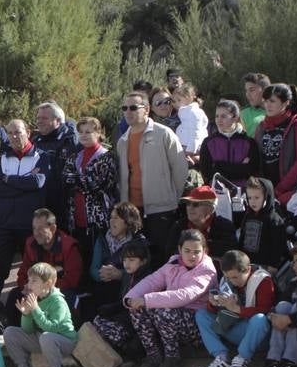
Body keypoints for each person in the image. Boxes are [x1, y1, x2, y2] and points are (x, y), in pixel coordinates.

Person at [125, 230, 217, 367]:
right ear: (180, 249)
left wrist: (147, 300)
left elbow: (186, 295)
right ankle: (153, 356)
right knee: (137, 309)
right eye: (187, 251)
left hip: (197, 324)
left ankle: (172, 357)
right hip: (175, 317)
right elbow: (153, 280)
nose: (192, 256)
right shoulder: (173, 262)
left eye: (196, 252)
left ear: (205, 251)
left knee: (164, 311)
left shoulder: (206, 270)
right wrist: (131, 297)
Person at [116, 92, 188, 260]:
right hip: (133, 211)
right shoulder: (122, 141)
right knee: (137, 260)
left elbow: (180, 169)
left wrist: (170, 197)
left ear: (147, 109)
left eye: (133, 107)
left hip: (162, 210)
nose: (128, 112)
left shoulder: (164, 133)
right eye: (124, 108)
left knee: (161, 258)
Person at [0, 119, 50, 296]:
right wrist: (24, 185)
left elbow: (38, 183)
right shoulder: (2, 158)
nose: (13, 136)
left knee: (32, 270)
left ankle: (29, 309)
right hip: (4, 223)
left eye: (18, 132)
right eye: (10, 133)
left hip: (29, 224)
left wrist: (8, 180)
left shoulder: (42, 156)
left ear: (28, 132)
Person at [195, 249, 276, 367]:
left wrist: (236, 309)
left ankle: (242, 359)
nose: (232, 281)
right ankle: (222, 358)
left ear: (247, 270)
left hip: (258, 335)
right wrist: (214, 304)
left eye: (235, 277)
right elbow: (218, 312)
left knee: (259, 319)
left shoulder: (262, 279)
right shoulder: (226, 280)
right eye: (228, 277)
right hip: (234, 328)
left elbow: (264, 310)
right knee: (202, 314)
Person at [3, 262, 78, 367]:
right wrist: (26, 314)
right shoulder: (35, 299)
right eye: (29, 280)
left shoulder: (58, 301)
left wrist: (36, 310)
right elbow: (27, 329)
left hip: (65, 342)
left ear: (47, 284)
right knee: (10, 332)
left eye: (34, 281)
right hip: (43, 340)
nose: (28, 284)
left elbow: (51, 328)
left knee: (46, 336)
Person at [64, 116, 119, 259]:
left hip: (98, 220)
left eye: (88, 132)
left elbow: (97, 185)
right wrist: (84, 180)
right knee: (80, 259)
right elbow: (66, 179)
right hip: (76, 218)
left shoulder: (107, 157)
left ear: (98, 133)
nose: (83, 135)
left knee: (98, 259)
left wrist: (77, 179)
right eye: (81, 132)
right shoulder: (74, 156)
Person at [91, 239, 154, 362]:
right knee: (99, 321)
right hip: (126, 319)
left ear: (143, 261)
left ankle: (136, 353)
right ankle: (127, 351)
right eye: (124, 260)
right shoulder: (127, 276)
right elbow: (124, 301)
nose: (127, 264)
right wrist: (111, 309)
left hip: (141, 322)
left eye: (132, 260)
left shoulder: (149, 279)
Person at [254, 84, 297, 206]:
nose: (267, 105)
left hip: (293, 192)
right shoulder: (261, 127)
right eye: (265, 101)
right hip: (266, 190)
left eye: (272, 101)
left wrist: (280, 189)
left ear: (285, 103)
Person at [88, 202, 145, 313]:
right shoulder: (102, 239)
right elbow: (93, 269)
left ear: (128, 222)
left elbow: (142, 274)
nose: (112, 221)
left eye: (117, 218)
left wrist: (120, 274)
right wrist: (104, 274)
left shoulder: (138, 243)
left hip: (126, 294)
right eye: (111, 217)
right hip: (103, 291)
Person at [196, 100, 261, 190]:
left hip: (244, 192)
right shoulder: (208, 142)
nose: (219, 120)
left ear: (235, 118)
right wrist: (239, 168)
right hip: (217, 192)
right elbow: (207, 172)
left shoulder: (249, 143)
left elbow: (251, 170)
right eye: (217, 116)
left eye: (223, 116)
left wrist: (219, 165)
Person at [33, 101, 79, 219]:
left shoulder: (70, 141)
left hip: (62, 207)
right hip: (39, 202)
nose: (39, 121)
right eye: (38, 118)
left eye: (44, 118)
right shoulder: (35, 140)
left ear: (58, 121)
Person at [237, 177, 294, 270]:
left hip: (264, 265)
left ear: (267, 196)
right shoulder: (248, 216)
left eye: (257, 197)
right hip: (246, 263)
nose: (252, 201)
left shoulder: (274, 219)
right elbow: (242, 238)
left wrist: (273, 265)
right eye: (249, 197)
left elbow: (278, 245)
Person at [178, 184, 236, 263]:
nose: (190, 208)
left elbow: (230, 256)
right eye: (188, 203)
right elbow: (171, 255)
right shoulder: (179, 226)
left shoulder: (225, 227)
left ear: (211, 209)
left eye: (196, 204)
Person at [170, 82, 209, 160]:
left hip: (191, 147)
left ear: (188, 98)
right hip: (186, 145)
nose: (176, 103)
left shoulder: (193, 112)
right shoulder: (185, 112)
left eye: (179, 100)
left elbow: (196, 132)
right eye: (175, 101)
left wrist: (191, 150)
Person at [240, 73, 270, 138]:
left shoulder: (280, 111)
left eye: (252, 90)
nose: (247, 94)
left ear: (265, 90)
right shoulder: (243, 115)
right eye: (246, 91)